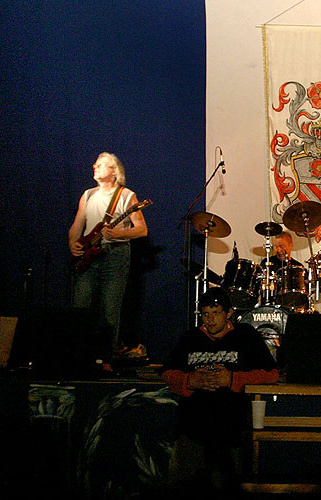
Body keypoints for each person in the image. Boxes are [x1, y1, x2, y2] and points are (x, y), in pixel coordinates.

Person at [162, 286, 278, 496]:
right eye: (205, 314)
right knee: (180, 488)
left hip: (231, 431)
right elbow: (167, 373)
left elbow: (271, 374)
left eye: (216, 313)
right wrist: (189, 381)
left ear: (229, 313)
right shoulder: (191, 338)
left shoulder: (245, 336)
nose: (210, 319)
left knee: (226, 487)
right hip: (192, 430)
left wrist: (233, 379)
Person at [68, 152, 148, 365]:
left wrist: (119, 234)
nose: (95, 166)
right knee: (80, 306)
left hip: (115, 255)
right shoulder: (87, 195)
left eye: (101, 165)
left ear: (114, 172)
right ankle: (77, 355)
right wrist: (73, 244)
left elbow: (141, 230)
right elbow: (78, 225)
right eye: (95, 164)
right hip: (89, 256)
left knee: (110, 310)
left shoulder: (126, 195)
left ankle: (106, 358)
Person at [259, 231, 307, 310]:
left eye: (281, 246)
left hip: (290, 306)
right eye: (275, 246)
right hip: (270, 306)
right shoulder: (266, 262)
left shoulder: (298, 267)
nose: (278, 250)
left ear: (291, 245)